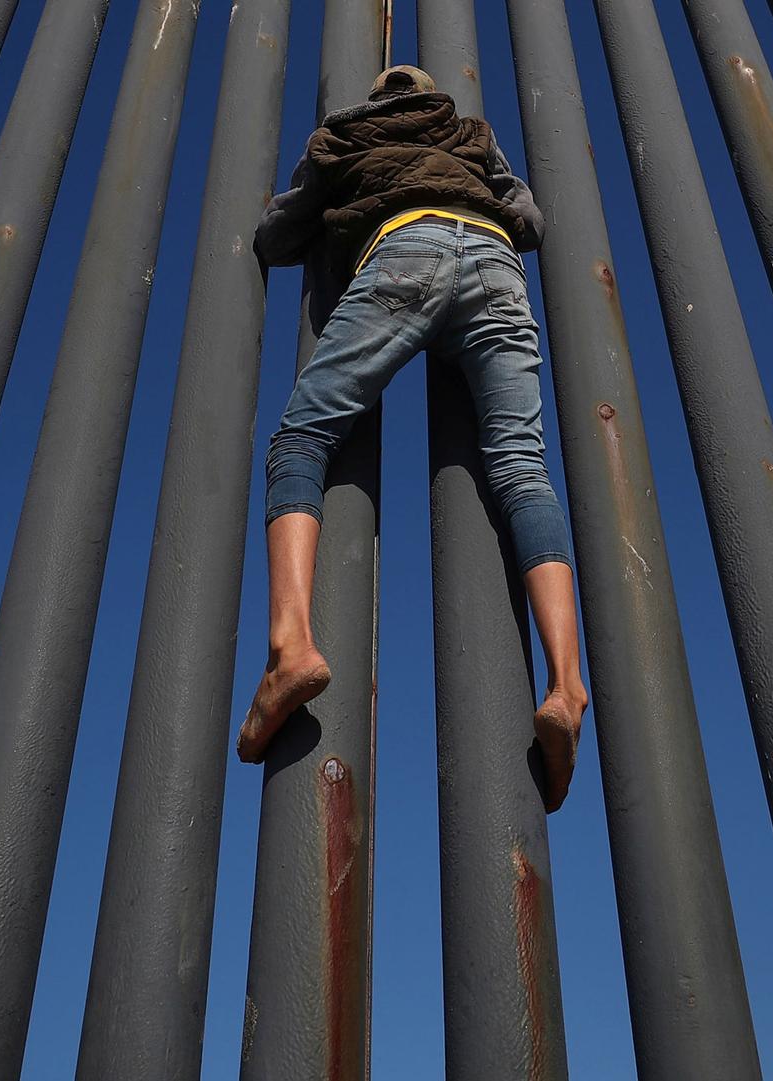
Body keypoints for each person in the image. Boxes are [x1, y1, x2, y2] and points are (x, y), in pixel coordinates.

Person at [239, 64, 589, 812]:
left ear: (378, 96)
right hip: (494, 259)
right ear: (433, 95)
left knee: (301, 436)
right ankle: (565, 683)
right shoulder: (470, 133)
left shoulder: (342, 133)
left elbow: (280, 231)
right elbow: (528, 219)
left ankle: (290, 645)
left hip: (404, 252)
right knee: (523, 470)